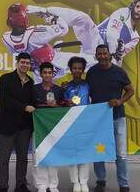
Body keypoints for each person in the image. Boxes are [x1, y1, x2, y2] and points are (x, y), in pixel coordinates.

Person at [26, 0, 140, 66]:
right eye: (137, 6)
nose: (138, 10)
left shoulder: (135, 37)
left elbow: (120, 55)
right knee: (84, 19)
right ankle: (46, 12)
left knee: (76, 64)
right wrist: (115, 49)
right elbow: (111, 34)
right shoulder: (124, 12)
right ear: (133, 6)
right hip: (95, 40)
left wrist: (120, 51)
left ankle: (44, 62)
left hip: (103, 59)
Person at [85, 45, 134, 192]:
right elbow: (84, 91)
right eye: (99, 54)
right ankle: (101, 181)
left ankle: (124, 184)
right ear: (96, 55)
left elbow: (130, 90)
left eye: (104, 53)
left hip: (117, 118)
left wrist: (120, 101)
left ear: (109, 55)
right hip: (98, 120)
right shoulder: (92, 72)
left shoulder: (119, 72)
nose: (102, 56)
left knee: (120, 153)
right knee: (99, 151)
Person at [0, 52, 35, 192]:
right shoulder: (5, 79)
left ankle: (21, 184)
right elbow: (4, 100)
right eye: (22, 62)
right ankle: (3, 186)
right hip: (6, 125)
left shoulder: (31, 82)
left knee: (23, 158)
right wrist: (24, 107)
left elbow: (33, 103)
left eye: (27, 63)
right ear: (17, 63)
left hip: (24, 127)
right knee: (4, 158)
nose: (25, 65)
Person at [32, 62, 64, 192]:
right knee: (38, 155)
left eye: (49, 72)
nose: (47, 75)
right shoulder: (34, 90)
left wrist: (55, 105)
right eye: (44, 72)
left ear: (53, 74)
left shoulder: (59, 90)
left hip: (53, 128)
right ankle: (41, 184)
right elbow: (30, 106)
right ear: (40, 74)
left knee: (53, 155)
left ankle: (53, 184)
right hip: (38, 127)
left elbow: (63, 109)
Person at [63, 57, 90, 192]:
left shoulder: (88, 85)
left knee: (84, 152)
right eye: (75, 68)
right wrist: (65, 103)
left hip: (85, 123)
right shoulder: (65, 86)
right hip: (70, 123)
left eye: (80, 68)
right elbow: (62, 104)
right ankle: (75, 182)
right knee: (72, 152)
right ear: (71, 69)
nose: (77, 70)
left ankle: (84, 181)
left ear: (83, 70)